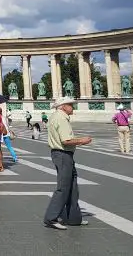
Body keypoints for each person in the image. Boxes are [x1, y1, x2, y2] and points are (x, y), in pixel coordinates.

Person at [43, 97, 92, 230]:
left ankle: (73, 218)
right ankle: (51, 218)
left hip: (62, 154)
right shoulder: (61, 118)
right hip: (63, 154)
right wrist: (83, 140)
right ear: (63, 106)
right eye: (70, 105)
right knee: (64, 187)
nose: (72, 107)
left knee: (72, 187)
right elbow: (66, 140)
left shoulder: (55, 116)